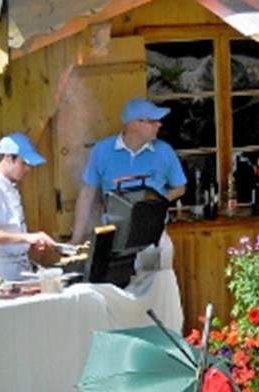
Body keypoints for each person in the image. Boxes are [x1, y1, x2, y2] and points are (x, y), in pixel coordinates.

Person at [70, 98, 187, 277]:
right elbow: (87, 195)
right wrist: (76, 239)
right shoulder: (102, 150)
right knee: (115, 289)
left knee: (158, 290)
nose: (159, 124)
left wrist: (152, 204)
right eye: (153, 121)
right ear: (135, 124)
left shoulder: (165, 151)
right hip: (113, 238)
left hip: (153, 238)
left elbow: (180, 187)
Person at [0, 133, 59, 290]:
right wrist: (27, 237)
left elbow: (10, 230)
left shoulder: (9, 187)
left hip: (19, 269)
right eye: (24, 163)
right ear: (9, 158)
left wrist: (28, 242)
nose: (28, 169)